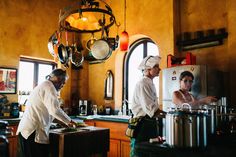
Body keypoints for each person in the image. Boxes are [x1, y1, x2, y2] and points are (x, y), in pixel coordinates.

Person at [16, 69, 77, 157]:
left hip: (28, 132)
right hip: (32, 132)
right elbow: (55, 110)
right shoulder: (49, 87)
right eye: (63, 82)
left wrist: (63, 122)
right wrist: (69, 121)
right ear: (57, 79)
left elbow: (49, 112)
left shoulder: (45, 85)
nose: (63, 85)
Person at [130, 55, 164, 157]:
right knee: (140, 153)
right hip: (142, 125)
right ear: (149, 69)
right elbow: (151, 110)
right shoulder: (143, 84)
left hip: (149, 123)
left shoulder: (150, 83)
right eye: (156, 66)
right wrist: (170, 115)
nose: (159, 69)